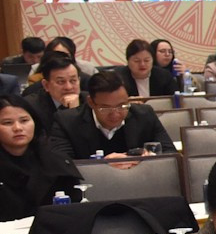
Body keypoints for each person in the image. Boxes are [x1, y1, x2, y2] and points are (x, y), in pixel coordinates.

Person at [52, 70, 175, 160]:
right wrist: (103, 165)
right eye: (105, 108)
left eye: (122, 106)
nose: (115, 114)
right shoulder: (67, 121)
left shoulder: (144, 115)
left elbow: (170, 154)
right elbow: (63, 165)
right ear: (91, 102)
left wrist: (145, 158)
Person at [0, 92, 80, 220]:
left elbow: (75, 207)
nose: (18, 128)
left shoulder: (55, 160)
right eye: (7, 123)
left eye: (24, 120)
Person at [22, 52, 82, 137]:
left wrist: (76, 110)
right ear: (46, 85)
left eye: (73, 81)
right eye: (61, 82)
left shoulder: (89, 101)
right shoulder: (31, 106)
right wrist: (72, 114)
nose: (68, 87)